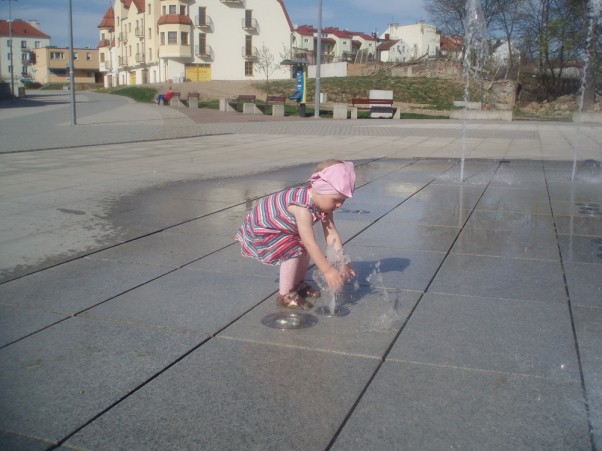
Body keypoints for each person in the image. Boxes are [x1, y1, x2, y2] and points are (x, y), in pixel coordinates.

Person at [236, 160, 356, 309]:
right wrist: (327, 270)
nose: (339, 205)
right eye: (336, 200)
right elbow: (310, 242)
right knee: (293, 252)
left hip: (285, 228)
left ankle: (297, 285)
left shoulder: (324, 205)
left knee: (303, 251)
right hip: (266, 227)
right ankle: (285, 295)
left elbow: (332, 233)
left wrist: (340, 260)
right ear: (320, 190)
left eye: (343, 201)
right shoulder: (302, 207)